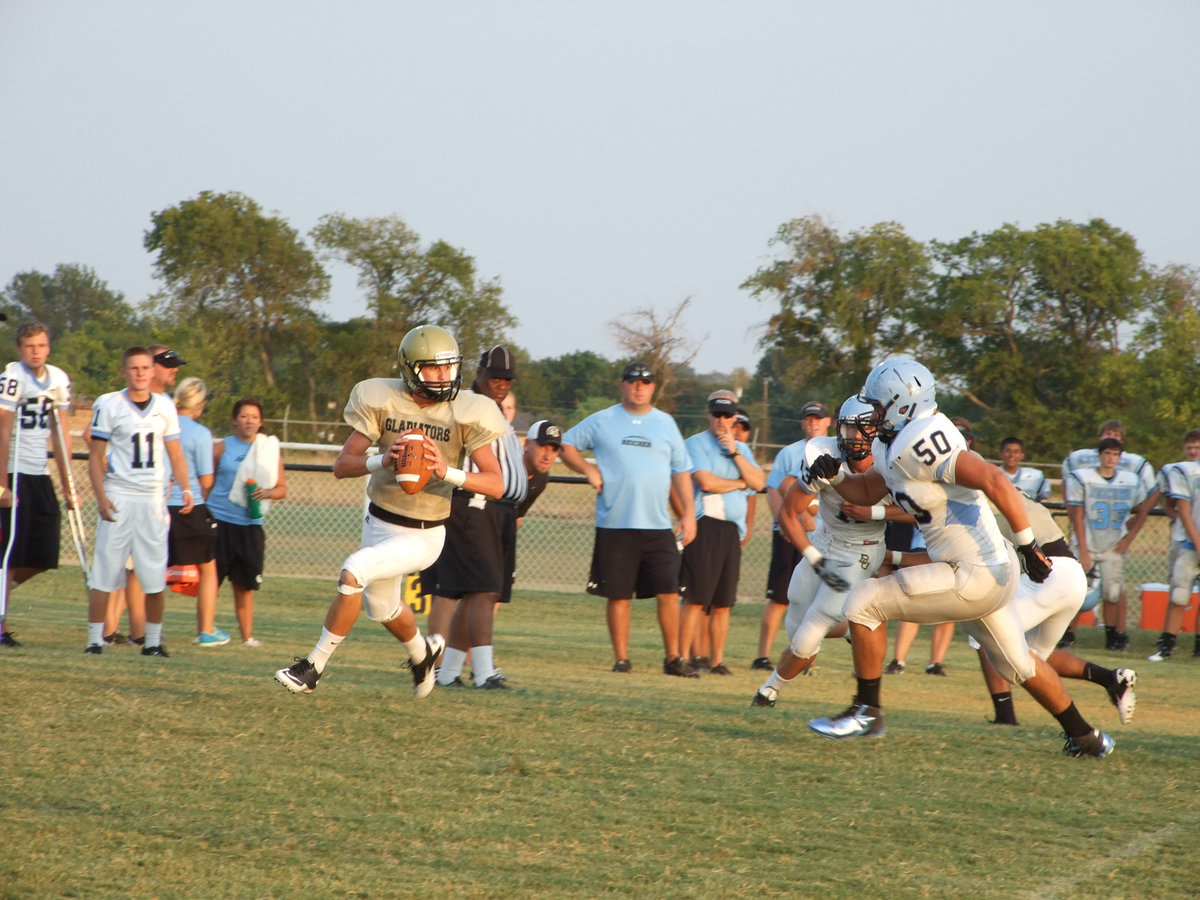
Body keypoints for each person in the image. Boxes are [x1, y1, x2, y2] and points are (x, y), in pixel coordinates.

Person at [806, 357, 1115, 758]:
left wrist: (1028, 545)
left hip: (976, 570)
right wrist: (836, 477)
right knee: (1016, 664)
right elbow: (866, 491)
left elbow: (993, 480)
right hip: (977, 570)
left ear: (903, 404)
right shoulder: (893, 444)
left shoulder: (921, 438)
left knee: (863, 603)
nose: (872, 416)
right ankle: (1087, 737)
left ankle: (868, 710)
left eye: (878, 406)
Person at [274, 324, 506, 699]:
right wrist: (383, 460)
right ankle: (423, 655)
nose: (445, 375)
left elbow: (496, 484)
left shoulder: (467, 410)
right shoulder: (381, 397)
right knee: (382, 609)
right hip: (379, 519)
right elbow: (342, 465)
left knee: (354, 572)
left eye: (449, 367)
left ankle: (312, 667)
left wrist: (445, 471)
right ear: (411, 368)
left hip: (425, 531)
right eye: (434, 368)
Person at [752, 396, 908, 707]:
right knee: (796, 611)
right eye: (849, 429)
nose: (854, 438)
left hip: (862, 550)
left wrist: (875, 514)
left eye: (862, 430)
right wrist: (815, 558)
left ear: (877, 431)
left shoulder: (892, 461)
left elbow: (924, 512)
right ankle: (855, 624)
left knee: (814, 625)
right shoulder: (824, 456)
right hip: (825, 540)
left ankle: (768, 691)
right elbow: (787, 513)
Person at [559, 361, 697, 676]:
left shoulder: (665, 424)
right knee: (619, 595)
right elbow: (565, 445)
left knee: (668, 593)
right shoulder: (603, 420)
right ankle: (622, 659)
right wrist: (588, 469)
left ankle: (673, 659)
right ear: (622, 385)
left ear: (652, 388)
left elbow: (681, 473)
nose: (639, 386)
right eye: (633, 381)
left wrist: (689, 514)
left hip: (658, 526)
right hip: (615, 525)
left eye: (645, 382)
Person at [968, 487, 1136, 726]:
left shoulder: (978, 491)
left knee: (985, 634)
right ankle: (1110, 679)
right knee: (1032, 659)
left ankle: (1005, 716)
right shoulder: (1009, 489)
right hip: (1071, 574)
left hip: (1048, 574)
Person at [427, 345, 528, 690]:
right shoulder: (470, 403)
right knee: (484, 590)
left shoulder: (493, 409)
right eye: (495, 376)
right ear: (480, 373)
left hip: (495, 509)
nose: (501, 383)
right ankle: (484, 671)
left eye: (507, 378)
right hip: (474, 503)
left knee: (474, 594)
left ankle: (449, 671)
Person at [84, 346, 194, 656]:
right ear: (124, 371)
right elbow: (95, 456)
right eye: (134, 368)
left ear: (153, 370)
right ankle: (94, 641)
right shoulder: (109, 404)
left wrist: (186, 488)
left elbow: (175, 453)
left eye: (145, 367)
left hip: (152, 499)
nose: (141, 373)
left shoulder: (165, 407)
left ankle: (153, 642)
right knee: (105, 571)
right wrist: (102, 497)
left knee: (154, 574)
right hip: (119, 495)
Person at [0, 322, 76, 647]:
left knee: (44, 553)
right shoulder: (12, 375)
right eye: (30, 346)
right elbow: (2, 430)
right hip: (15, 471)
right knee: (8, 554)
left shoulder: (57, 378)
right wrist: (1, 484)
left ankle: (4, 589)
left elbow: (61, 433)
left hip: (40, 473)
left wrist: (69, 482)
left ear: (48, 348)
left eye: (41, 345)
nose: (36, 351)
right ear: (20, 349)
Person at [678, 391, 764, 676]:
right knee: (696, 598)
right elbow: (706, 482)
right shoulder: (696, 444)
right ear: (709, 415)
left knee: (723, 602)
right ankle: (681, 657)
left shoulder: (741, 448)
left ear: (735, 418)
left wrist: (735, 452)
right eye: (716, 414)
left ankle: (716, 661)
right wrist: (740, 484)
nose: (721, 420)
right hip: (705, 526)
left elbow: (759, 482)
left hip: (730, 531)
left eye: (727, 415)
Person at [1058, 419, 1158, 650]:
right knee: (1076, 592)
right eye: (1107, 453)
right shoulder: (1084, 476)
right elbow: (1077, 512)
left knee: (1113, 593)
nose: (1111, 457)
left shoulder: (1130, 480)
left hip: (1113, 544)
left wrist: (1128, 537)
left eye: (1115, 454)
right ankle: (1066, 634)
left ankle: (1113, 637)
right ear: (1099, 454)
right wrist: (1082, 548)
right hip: (1089, 543)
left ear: (1120, 456)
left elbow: (1142, 508)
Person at [752, 400, 831, 670]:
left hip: (824, 535)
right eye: (808, 419)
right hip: (791, 534)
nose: (812, 423)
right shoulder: (790, 452)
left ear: (828, 421)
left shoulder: (834, 450)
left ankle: (806, 659)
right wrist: (787, 523)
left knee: (816, 601)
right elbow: (774, 489)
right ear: (802, 422)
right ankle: (762, 656)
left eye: (817, 418)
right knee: (780, 598)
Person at [207, 398, 286, 647]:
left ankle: (247, 637)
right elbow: (204, 482)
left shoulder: (268, 451)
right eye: (243, 416)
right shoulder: (221, 448)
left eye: (254, 416)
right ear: (234, 420)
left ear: (260, 422)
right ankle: (205, 630)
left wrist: (268, 493)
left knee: (244, 585)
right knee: (210, 582)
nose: (249, 420)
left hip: (249, 526)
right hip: (219, 521)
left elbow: (282, 488)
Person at [165, 377, 224, 646]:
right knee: (208, 567)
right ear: (199, 403)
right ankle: (206, 630)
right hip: (190, 505)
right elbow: (206, 480)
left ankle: (137, 630)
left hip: (158, 504)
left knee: (147, 569)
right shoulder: (200, 433)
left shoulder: (162, 422)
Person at [1147, 429, 1200, 662]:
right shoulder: (1182, 471)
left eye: (1197, 447)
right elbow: (1180, 509)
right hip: (1187, 541)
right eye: (1190, 447)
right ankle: (1166, 645)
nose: (1193, 451)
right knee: (1179, 595)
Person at [998, 436, 1051, 502]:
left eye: (1016, 452)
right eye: (1008, 451)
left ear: (1022, 455)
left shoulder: (1035, 476)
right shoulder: (992, 475)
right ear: (1000, 454)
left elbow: (1043, 499)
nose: (1011, 455)